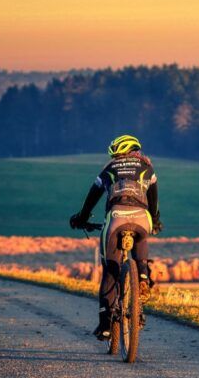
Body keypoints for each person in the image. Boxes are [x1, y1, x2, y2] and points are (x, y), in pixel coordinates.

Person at [69, 134, 163, 341]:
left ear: (117, 154)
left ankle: (105, 325)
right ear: (135, 151)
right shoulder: (148, 167)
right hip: (141, 219)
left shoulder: (109, 169)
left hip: (116, 219)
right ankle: (143, 276)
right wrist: (155, 221)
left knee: (110, 271)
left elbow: (91, 199)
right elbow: (153, 200)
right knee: (142, 235)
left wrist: (81, 218)